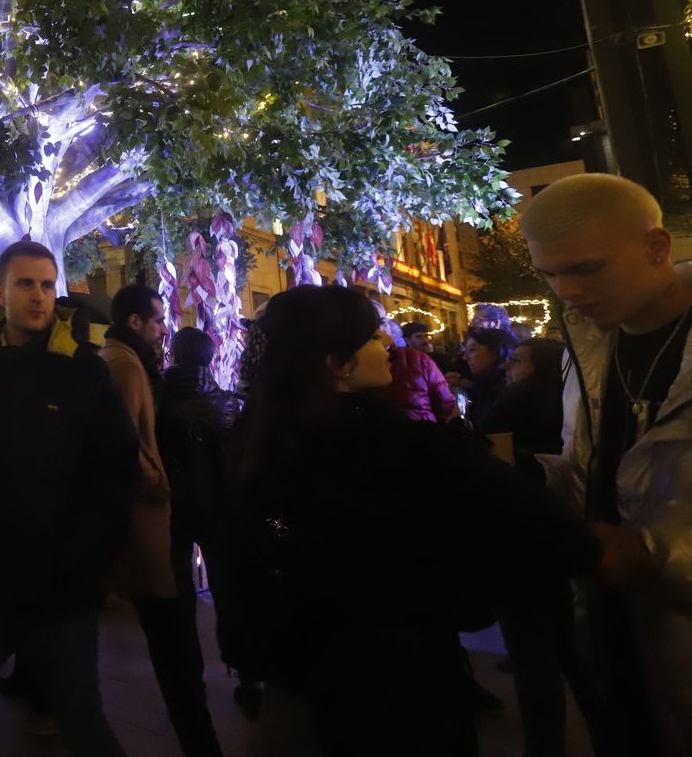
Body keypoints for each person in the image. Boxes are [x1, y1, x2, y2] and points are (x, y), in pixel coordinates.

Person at [233, 285, 601, 757]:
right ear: (335, 361)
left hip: (300, 672)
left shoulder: (260, 437)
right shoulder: (399, 444)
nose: (388, 344)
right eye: (370, 337)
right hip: (401, 676)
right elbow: (540, 523)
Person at [0, 240, 139, 756]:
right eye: (25, 284)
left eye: (47, 285)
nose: (39, 297)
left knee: (83, 720)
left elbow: (115, 473)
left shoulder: (84, 372)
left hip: (55, 588)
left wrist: (81, 558)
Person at [523, 172, 692, 753]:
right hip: (616, 640)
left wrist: (656, 554)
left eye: (586, 268)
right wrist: (525, 477)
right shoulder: (591, 347)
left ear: (656, 248)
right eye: (549, 275)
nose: (566, 290)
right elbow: (602, 471)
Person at [101, 287, 220, 755]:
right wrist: (159, 483)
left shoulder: (130, 361)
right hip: (149, 519)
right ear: (135, 323)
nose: (163, 327)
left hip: (154, 521)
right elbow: (127, 443)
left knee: (175, 637)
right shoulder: (126, 365)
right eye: (157, 320)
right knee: (174, 642)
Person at [489, 336, 616, 757]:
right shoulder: (562, 403)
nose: (511, 368)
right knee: (570, 651)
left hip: (523, 540)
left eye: (519, 361)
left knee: (534, 658)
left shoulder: (512, 406)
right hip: (560, 537)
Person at [160, 326, 254, 720]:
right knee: (229, 593)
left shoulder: (160, 399)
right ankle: (247, 675)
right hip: (218, 508)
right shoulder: (226, 402)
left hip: (173, 509)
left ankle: (187, 676)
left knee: (178, 598)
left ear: (176, 355)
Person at [379, 314, 458, 423]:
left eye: (426, 336)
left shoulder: (438, 359)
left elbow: (447, 406)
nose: (424, 340)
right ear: (406, 340)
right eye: (419, 337)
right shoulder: (408, 361)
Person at [451, 327, 518, 431]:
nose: (465, 357)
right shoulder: (482, 385)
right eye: (466, 350)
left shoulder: (507, 390)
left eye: (472, 350)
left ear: (495, 352)